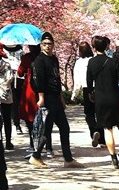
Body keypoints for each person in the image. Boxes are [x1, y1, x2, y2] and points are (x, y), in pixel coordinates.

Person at [29, 32, 81, 168]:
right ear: (41, 45)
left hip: (56, 98)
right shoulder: (39, 61)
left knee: (64, 127)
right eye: (45, 44)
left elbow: (57, 80)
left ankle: (68, 159)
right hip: (47, 98)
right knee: (46, 129)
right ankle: (36, 156)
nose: (47, 46)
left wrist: (62, 99)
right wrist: (41, 98)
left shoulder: (54, 59)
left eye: (50, 44)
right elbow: (39, 80)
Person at [87, 34, 119, 168]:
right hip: (114, 97)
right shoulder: (112, 61)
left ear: (93, 47)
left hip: (101, 99)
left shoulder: (91, 63)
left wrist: (90, 93)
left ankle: (114, 159)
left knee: (107, 128)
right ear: (106, 46)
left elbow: (89, 82)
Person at [72, 40, 99, 144]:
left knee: (89, 113)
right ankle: (101, 139)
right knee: (98, 113)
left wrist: (75, 94)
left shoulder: (79, 62)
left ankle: (93, 132)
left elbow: (77, 79)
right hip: (97, 88)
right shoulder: (94, 60)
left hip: (86, 89)